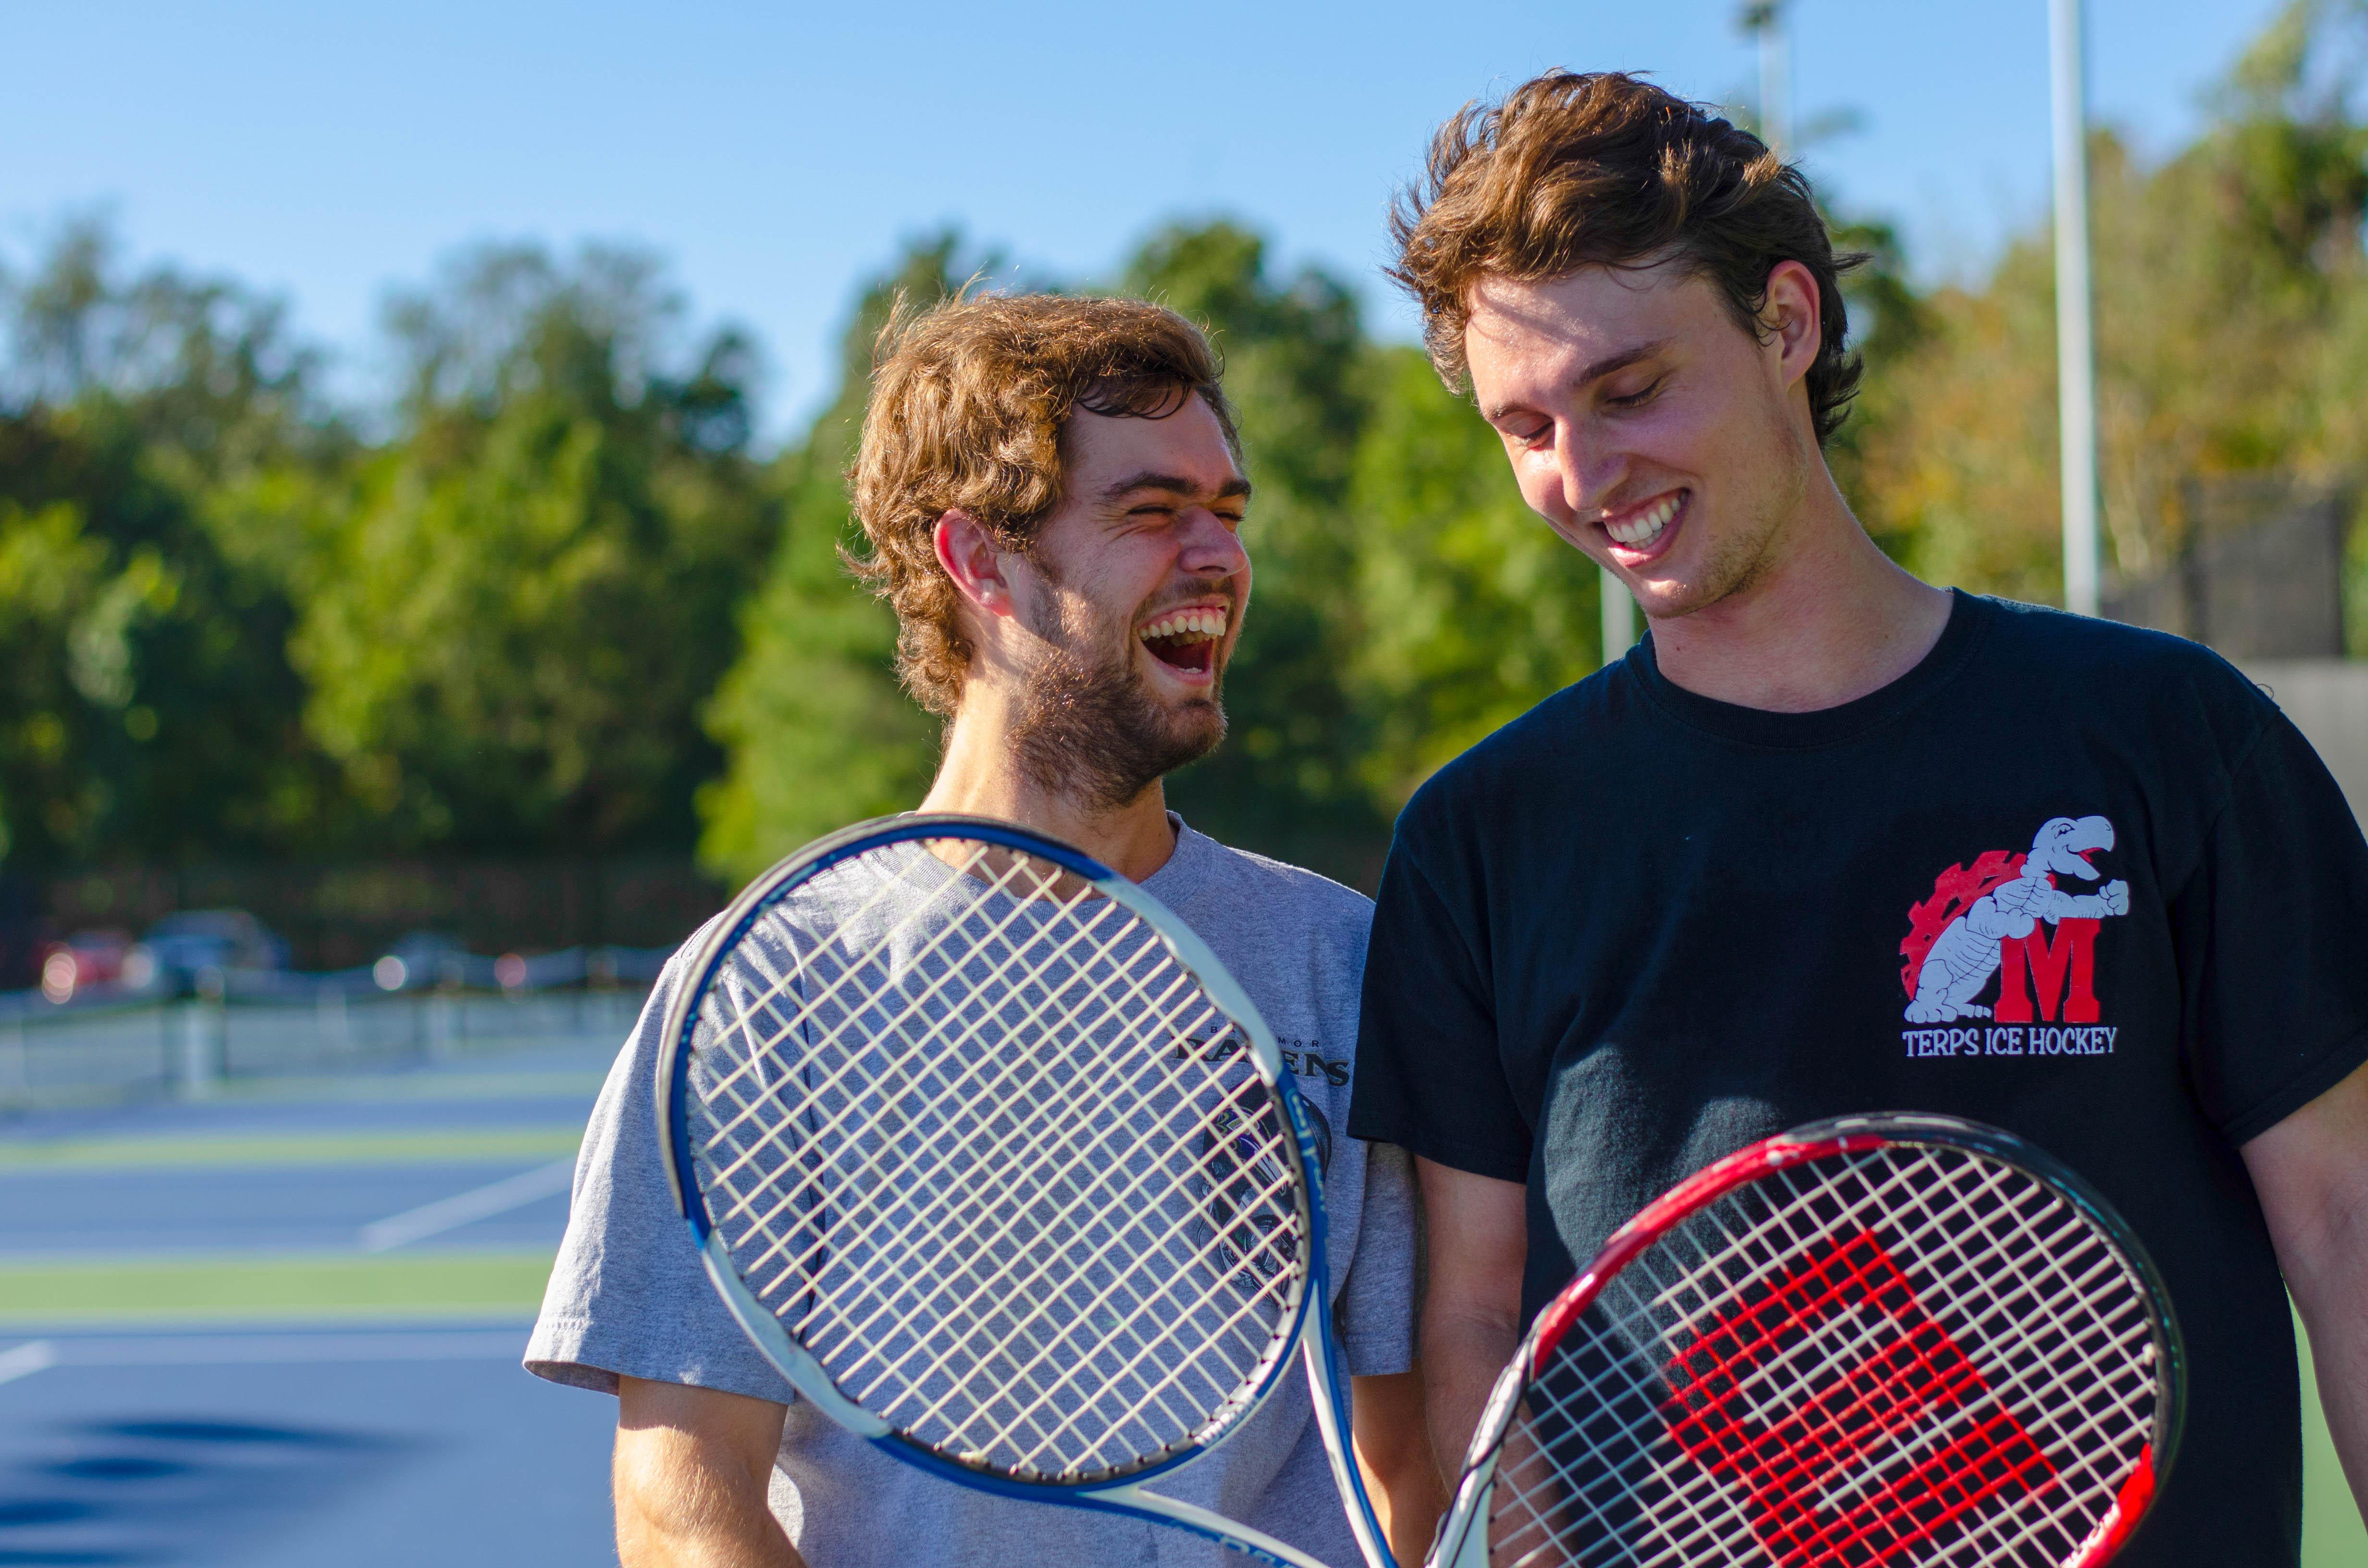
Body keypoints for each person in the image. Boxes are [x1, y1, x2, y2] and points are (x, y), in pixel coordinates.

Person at [1346, 69, 2368, 1558]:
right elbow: (1476, 1324)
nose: (1584, 472)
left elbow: (2344, 1227)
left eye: (1629, 390)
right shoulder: (1478, 839)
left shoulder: (2168, 735)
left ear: (1786, 323)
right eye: (1526, 425)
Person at [527, 292, 1444, 1567]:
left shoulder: (1340, 964)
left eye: (1228, 513)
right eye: (1150, 511)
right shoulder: (767, 987)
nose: (1219, 556)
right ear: (979, 562)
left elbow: (1416, 1459)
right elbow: (685, 1505)